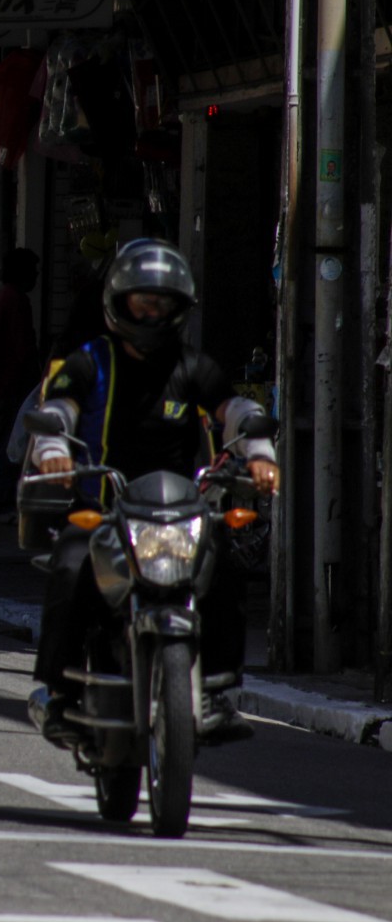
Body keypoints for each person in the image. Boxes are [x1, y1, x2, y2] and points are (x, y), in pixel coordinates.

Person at [27, 239, 278, 745]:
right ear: (119, 302)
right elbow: (59, 409)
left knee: (227, 556)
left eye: (162, 303)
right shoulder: (89, 361)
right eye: (143, 301)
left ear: (178, 309)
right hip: (104, 508)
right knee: (71, 562)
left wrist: (259, 453)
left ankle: (214, 690)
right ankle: (57, 691)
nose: (151, 312)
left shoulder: (192, 367)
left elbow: (233, 410)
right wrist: (53, 448)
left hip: (177, 513)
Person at [0, 247, 40, 523]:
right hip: (14, 384)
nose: (37, 276)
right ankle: (2, 502)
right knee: (10, 445)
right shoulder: (16, 302)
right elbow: (22, 350)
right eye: (33, 271)